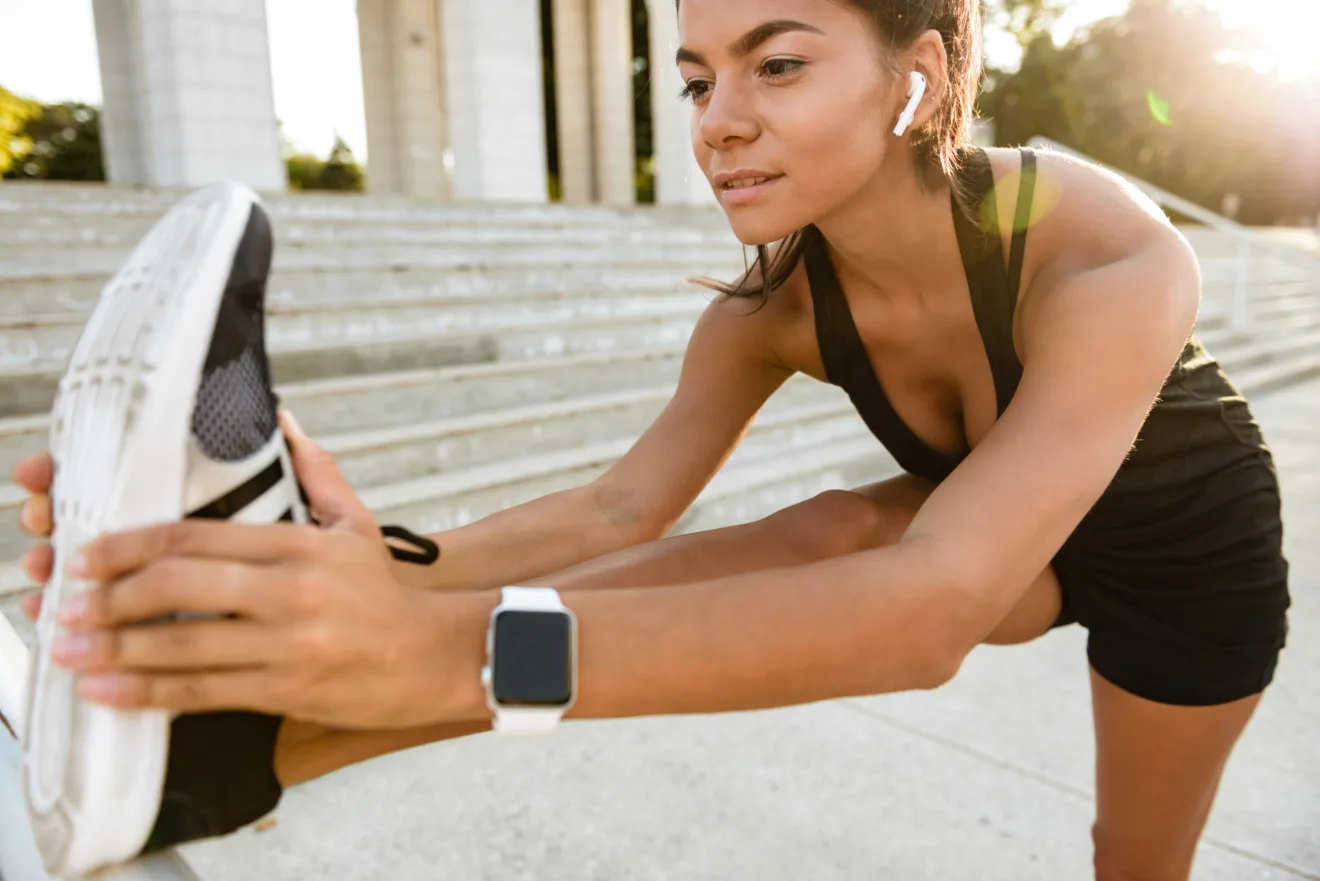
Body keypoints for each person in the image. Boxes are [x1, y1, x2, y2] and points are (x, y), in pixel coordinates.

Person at [10, 0, 1290, 878]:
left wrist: (440, 646)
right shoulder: (774, 309)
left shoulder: (1089, 238)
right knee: (828, 530)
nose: (716, 120)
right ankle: (226, 743)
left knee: (1135, 862)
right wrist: (367, 562)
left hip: (1191, 562)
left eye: (776, 64)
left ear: (922, 76)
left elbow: (927, 615)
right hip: (991, 522)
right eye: (697, 78)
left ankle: (373, 674)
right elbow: (620, 513)